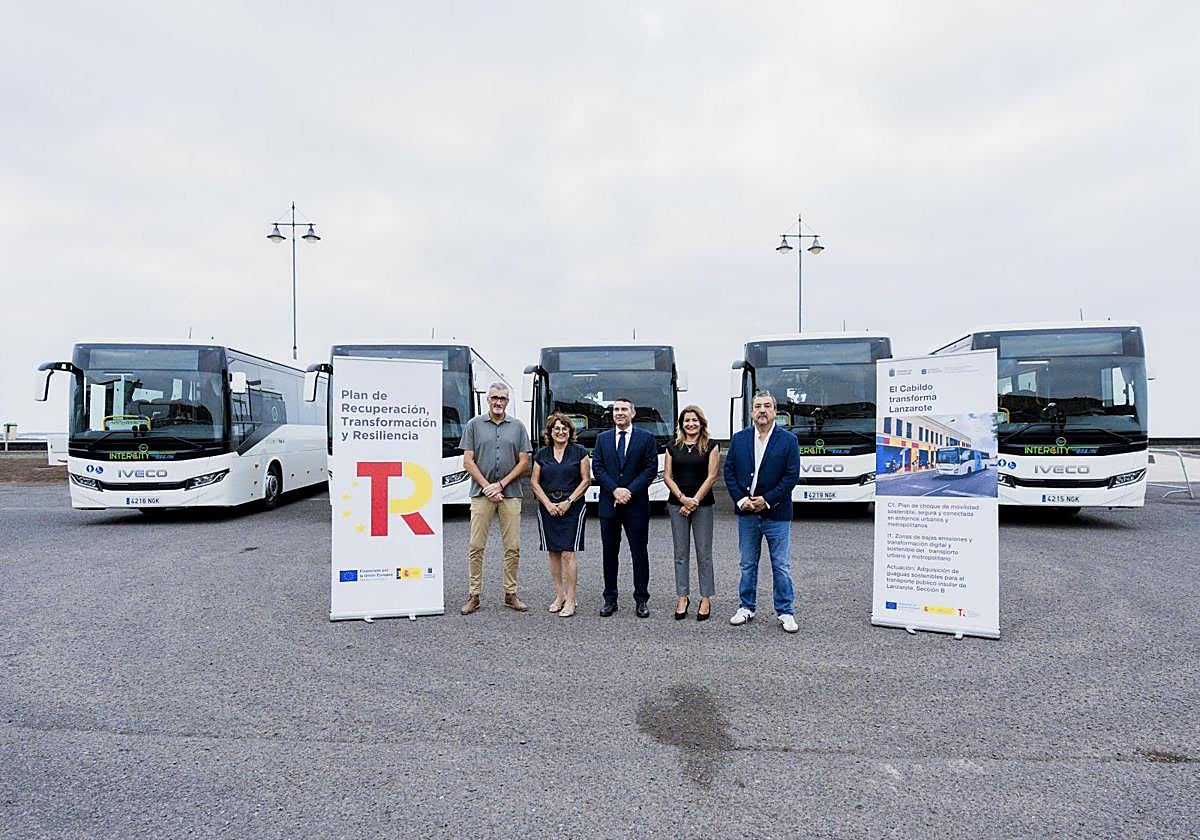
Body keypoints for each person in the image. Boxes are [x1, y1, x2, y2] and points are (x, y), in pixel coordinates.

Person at [723, 390, 801, 633]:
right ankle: (746, 607)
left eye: (767, 406)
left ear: (775, 412)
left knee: (781, 565)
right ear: (751, 412)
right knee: (747, 564)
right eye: (758, 406)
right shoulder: (740, 439)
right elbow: (729, 471)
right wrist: (742, 499)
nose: (762, 410)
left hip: (776, 513)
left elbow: (791, 476)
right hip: (746, 512)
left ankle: (785, 611)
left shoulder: (788, 440)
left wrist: (766, 501)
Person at [458, 383, 532, 615]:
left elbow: (524, 462)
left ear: (507, 402)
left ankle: (510, 594)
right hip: (482, 494)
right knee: (476, 545)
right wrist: (488, 487)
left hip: (510, 494)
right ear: (487, 400)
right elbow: (468, 461)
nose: (498, 402)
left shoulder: (518, 427)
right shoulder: (473, 425)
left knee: (512, 547)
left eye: (502, 398)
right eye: (494, 398)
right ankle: (474, 595)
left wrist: (500, 485)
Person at [591, 397, 658, 618]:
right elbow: (598, 468)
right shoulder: (602, 439)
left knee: (639, 553)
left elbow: (650, 469)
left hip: (636, 505)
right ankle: (610, 599)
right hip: (609, 505)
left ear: (633, 413)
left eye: (623, 409)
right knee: (609, 553)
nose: (619, 413)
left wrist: (629, 491)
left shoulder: (646, 438)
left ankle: (641, 599)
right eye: (616, 409)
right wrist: (615, 490)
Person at [529, 412, 591, 619]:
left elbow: (585, 481)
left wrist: (568, 502)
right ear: (550, 432)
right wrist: (547, 503)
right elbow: (534, 482)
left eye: (564, 428)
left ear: (570, 431)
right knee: (553, 552)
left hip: (572, 506)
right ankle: (559, 596)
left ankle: (572, 599)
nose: (561, 432)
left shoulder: (579, 452)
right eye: (557, 428)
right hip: (547, 506)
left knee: (568, 552)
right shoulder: (541, 454)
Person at [663, 405, 720, 622]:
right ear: (681, 424)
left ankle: (705, 597)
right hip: (677, 505)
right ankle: (682, 596)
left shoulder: (711, 446)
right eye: (687, 420)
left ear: (701, 423)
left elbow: (712, 476)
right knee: (680, 553)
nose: (691, 424)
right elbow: (667, 476)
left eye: (694, 420)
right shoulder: (672, 446)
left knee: (704, 553)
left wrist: (694, 500)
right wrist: (682, 499)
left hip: (702, 505)